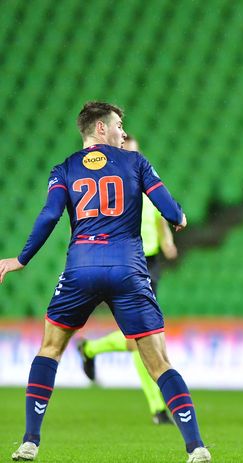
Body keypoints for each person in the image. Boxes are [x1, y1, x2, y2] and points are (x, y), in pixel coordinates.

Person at [0, 102, 211, 462]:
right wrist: (179, 217)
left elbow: (50, 215)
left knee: (50, 348)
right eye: (118, 125)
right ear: (100, 129)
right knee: (159, 362)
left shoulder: (63, 169)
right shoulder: (136, 162)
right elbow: (170, 209)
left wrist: (21, 259)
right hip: (128, 267)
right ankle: (196, 447)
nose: (123, 133)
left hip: (81, 267)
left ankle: (30, 441)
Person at [76, 135, 179, 425]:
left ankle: (91, 348)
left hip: (151, 260)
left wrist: (166, 238)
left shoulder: (145, 177)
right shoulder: (110, 188)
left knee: (143, 336)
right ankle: (158, 408)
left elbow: (159, 213)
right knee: (142, 337)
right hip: (127, 261)